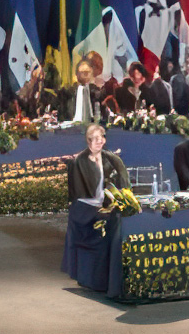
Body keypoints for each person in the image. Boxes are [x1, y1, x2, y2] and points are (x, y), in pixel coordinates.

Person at [61, 124, 130, 294]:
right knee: (106, 226)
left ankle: (111, 279)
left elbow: (122, 181)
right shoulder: (79, 161)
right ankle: (96, 280)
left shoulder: (110, 158)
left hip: (103, 206)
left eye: (101, 139)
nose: (99, 142)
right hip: (84, 209)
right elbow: (78, 194)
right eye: (95, 140)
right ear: (88, 142)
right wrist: (99, 208)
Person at [61, 55, 102, 122]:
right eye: (82, 72)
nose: (85, 75)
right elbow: (62, 116)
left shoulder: (96, 92)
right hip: (71, 127)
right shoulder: (67, 92)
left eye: (88, 72)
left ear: (92, 73)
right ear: (76, 73)